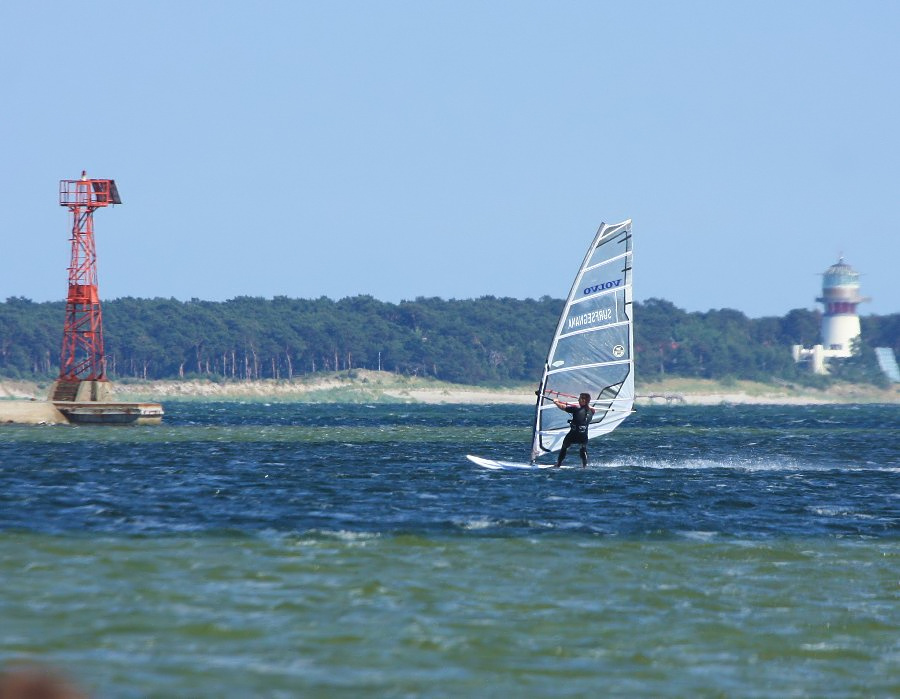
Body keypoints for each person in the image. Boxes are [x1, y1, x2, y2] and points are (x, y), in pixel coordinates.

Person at [551, 392, 596, 468]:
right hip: (583, 436)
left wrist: (556, 402)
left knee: (565, 446)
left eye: (580, 398)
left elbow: (562, 407)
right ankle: (584, 466)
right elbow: (590, 408)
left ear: (584, 400)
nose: (578, 400)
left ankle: (558, 464)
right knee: (583, 448)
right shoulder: (592, 411)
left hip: (573, 435)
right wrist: (586, 405)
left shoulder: (576, 409)